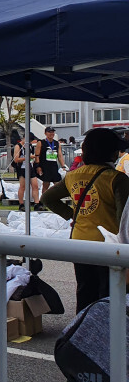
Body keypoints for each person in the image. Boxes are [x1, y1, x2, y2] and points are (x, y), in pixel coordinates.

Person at [42, 128, 129, 312]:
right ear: (110, 151)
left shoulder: (73, 175)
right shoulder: (117, 179)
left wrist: (71, 215)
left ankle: (81, 329)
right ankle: (106, 334)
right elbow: (124, 218)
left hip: (79, 242)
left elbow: (47, 198)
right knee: (108, 293)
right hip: (109, 246)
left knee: (84, 290)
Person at [11, 132, 39, 210]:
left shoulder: (30, 146)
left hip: (30, 167)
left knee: (35, 185)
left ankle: (37, 203)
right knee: (23, 186)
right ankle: (21, 204)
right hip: (22, 168)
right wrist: (27, 157)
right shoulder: (18, 146)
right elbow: (16, 159)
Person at [37, 126, 67, 196]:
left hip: (53, 166)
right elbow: (37, 155)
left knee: (58, 184)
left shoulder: (57, 143)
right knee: (46, 185)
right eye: (49, 132)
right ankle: (43, 201)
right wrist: (38, 166)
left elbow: (59, 155)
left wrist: (63, 166)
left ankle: (57, 199)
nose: (51, 133)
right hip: (45, 166)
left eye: (52, 132)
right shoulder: (41, 142)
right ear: (45, 133)